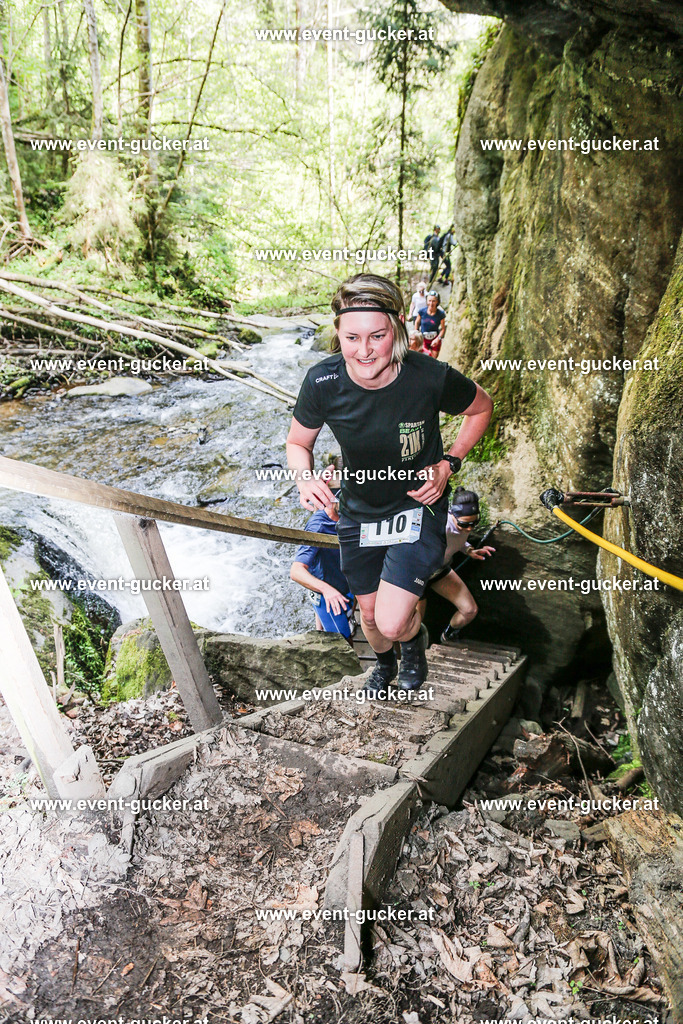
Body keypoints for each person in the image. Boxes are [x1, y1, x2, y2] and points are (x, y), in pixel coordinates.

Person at [286, 273, 493, 696]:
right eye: (351, 338)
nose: (363, 351)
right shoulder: (322, 382)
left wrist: (448, 463)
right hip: (359, 510)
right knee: (368, 617)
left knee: (393, 621)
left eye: (377, 336)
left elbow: (481, 407)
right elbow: (297, 442)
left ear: (399, 324)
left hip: (418, 505)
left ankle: (412, 642)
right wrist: (305, 479)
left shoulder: (428, 377)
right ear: (337, 333)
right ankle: (382, 667)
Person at [418, 487, 495, 644]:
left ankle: (447, 637)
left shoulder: (463, 524)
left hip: (439, 571)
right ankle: (409, 656)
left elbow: (456, 540)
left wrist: (469, 549)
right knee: (415, 622)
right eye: (464, 524)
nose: (469, 529)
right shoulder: (440, 526)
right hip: (417, 574)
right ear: (452, 515)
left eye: (475, 523)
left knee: (469, 610)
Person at [290, 457, 355, 638]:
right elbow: (296, 571)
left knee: (348, 616)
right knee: (342, 640)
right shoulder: (318, 525)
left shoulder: (349, 513)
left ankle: (327, 625)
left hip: (345, 580)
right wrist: (327, 590)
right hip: (328, 595)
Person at [415, 290, 446, 358]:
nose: (431, 303)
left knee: (434, 359)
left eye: (434, 301)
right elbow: (417, 322)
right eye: (429, 301)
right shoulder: (422, 311)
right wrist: (416, 334)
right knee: (424, 358)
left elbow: (443, 329)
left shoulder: (441, 314)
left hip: (435, 339)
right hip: (423, 339)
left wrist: (438, 339)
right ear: (426, 301)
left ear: (437, 302)